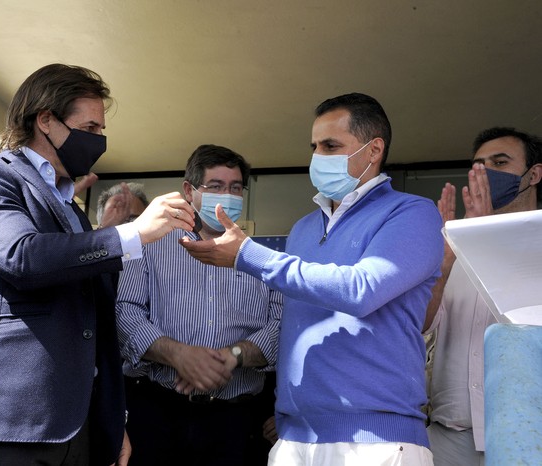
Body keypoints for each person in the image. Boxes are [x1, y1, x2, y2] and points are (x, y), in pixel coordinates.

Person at [0, 63, 195, 466]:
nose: (99, 140)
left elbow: (96, 323)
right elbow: (23, 257)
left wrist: (111, 417)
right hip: (6, 423)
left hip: (79, 430)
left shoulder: (72, 209)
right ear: (46, 120)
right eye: (90, 128)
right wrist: (132, 233)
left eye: (101, 130)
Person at [181, 93, 443, 466]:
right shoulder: (303, 228)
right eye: (315, 147)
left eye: (331, 146)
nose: (318, 157)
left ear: (374, 150)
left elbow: (361, 290)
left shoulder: (412, 214)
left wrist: (246, 254)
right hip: (294, 437)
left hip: (375, 440)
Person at [116, 144, 282, 466]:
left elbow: (280, 326)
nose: (228, 195)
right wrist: (179, 355)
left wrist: (229, 357)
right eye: (216, 186)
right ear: (190, 192)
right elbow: (125, 312)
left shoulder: (264, 260)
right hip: (156, 412)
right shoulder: (149, 247)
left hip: (236, 420)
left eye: (235, 188)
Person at [423, 127, 542, 466]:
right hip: (449, 437)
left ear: (534, 174)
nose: (485, 172)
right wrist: (444, 262)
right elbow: (420, 324)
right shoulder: (454, 248)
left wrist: (490, 241)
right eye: (478, 164)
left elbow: (520, 322)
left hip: (529, 437)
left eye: (499, 162)